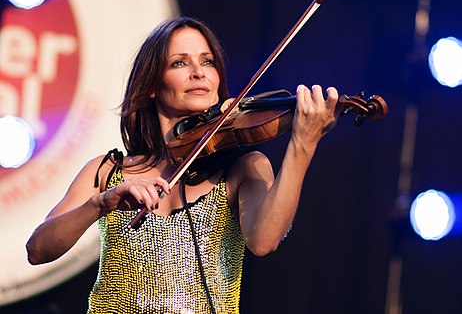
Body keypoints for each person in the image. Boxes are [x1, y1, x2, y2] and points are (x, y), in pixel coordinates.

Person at [26, 16, 340, 313]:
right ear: (150, 85)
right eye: (179, 63)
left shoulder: (241, 167)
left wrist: (303, 143)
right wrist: (100, 203)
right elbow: (38, 250)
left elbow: (263, 241)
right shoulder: (108, 171)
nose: (199, 72)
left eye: (207, 61)